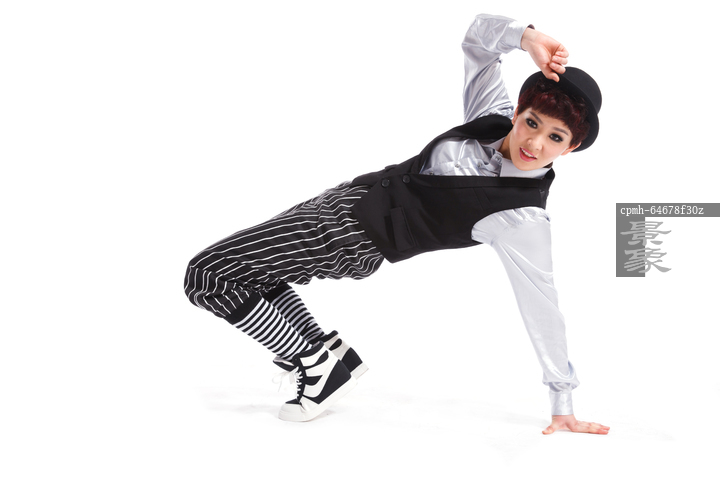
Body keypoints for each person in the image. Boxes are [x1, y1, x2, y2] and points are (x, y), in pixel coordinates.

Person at [184, 13, 609, 435]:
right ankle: (327, 353)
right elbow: (478, 43)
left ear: (570, 148)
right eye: (532, 123)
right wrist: (526, 37)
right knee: (253, 274)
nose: (534, 143)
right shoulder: (492, 117)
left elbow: (543, 309)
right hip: (337, 201)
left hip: (349, 239)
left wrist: (562, 401)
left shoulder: (521, 217)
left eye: (555, 137)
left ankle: (314, 363)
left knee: (208, 275)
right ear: (518, 112)